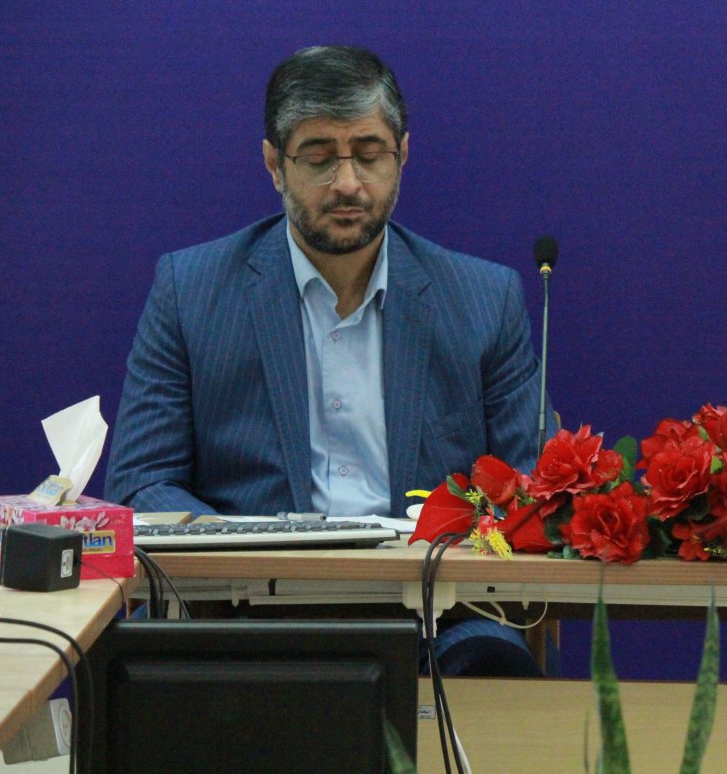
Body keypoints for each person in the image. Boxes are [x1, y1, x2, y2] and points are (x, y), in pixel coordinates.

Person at [105, 45, 550, 675]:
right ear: (274, 165)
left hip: (442, 616)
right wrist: (245, 549)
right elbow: (141, 483)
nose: (347, 183)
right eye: (318, 157)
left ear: (402, 155)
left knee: (495, 676)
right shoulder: (192, 290)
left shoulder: (483, 299)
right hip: (245, 610)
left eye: (369, 153)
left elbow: (534, 486)